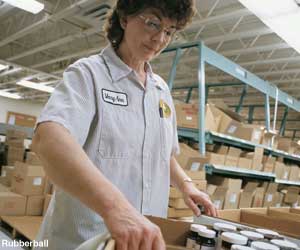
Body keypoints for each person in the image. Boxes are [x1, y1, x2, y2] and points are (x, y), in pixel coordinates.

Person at [32, 0, 218, 249]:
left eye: (169, 31)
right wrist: (116, 209)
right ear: (124, 18)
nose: (159, 38)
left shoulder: (161, 90)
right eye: (153, 23)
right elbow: (48, 140)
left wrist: (187, 186)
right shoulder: (89, 74)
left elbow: (164, 154)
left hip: (143, 241)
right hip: (84, 240)